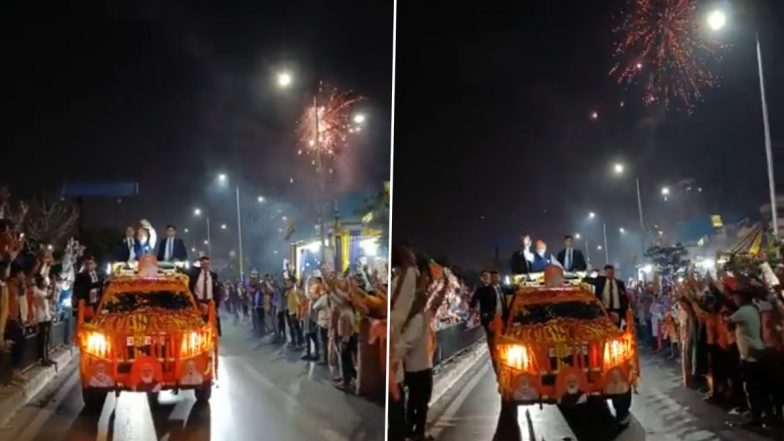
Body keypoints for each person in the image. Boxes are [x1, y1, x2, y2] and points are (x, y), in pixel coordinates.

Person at [726, 288, 771, 427]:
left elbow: (728, 321)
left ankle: (756, 417)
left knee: (752, 388)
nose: (734, 299)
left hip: (750, 354)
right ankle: (766, 415)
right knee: (761, 387)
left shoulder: (743, 312)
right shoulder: (754, 308)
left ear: (741, 298)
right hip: (760, 350)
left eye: (736, 297)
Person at [469, 269, 507, 372]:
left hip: (503, 321)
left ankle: (505, 366)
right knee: (493, 347)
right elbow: (472, 303)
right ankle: (498, 370)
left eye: (497, 276)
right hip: (491, 322)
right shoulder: (483, 290)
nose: (495, 278)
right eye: (493, 277)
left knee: (504, 345)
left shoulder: (501, 289)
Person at [189, 256, 221, 336]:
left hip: (209, 302)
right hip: (197, 302)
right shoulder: (195, 275)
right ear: (201, 264)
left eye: (208, 264)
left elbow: (216, 290)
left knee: (211, 322)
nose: (206, 265)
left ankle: (210, 336)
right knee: (198, 322)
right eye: (204, 263)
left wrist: (216, 302)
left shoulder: (213, 276)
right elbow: (191, 288)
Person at [32, 274, 53, 366]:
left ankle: (46, 357)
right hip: (41, 318)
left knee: (47, 339)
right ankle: (43, 359)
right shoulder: (37, 291)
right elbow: (50, 297)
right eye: (44, 281)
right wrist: (55, 286)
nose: (46, 282)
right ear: (40, 282)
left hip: (46, 317)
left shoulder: (43, 290)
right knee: (43, 340)